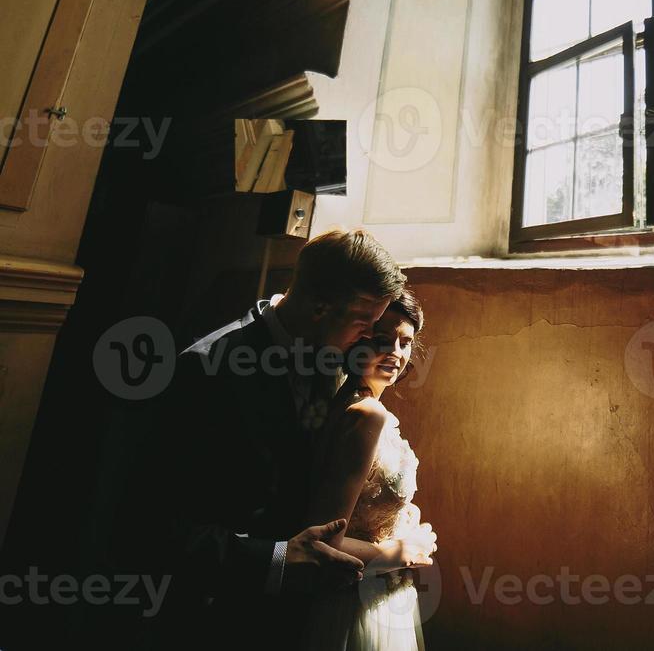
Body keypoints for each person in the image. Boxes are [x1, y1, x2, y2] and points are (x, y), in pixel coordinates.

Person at [130, 229, 430, 651]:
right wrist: (276, 558)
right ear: (319, 307)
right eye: (364, 324)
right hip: (216, 615)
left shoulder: (338, 354)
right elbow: (152, 524)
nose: (369, 339)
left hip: (301, 617)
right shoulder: (208, 370)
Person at [302, 288, 436, 651]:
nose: (395, 353)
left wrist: (403, 516)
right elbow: (323, 541)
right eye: (382, 340)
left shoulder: (352, 404)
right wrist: (402, 550)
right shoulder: (365, 416)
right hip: (357, 599)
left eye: (405, 342)